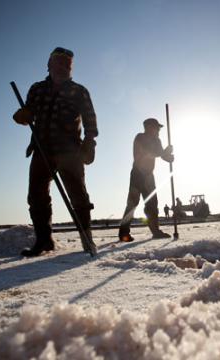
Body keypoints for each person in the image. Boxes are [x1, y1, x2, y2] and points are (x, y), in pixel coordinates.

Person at [13, 47, 98, 257]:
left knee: (78, 195)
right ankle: (44, 240)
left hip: (70, 152)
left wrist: (89, 142)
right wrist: (23, 115)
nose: (63, 67)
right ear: (49, 65)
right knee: (36, 196)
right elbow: (30, 113)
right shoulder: (37, 89)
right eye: (58, 63)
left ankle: (87, 239)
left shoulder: (79, 91)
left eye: (67, 64)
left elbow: (90, 120)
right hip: (41, 149)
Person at [118, 118, 174, 242]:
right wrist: (163, 153)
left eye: (159, 128)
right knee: (132, 203)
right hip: (137, 174)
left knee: (152, 204)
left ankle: (155, 231)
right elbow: (148, 153)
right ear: (149, 127)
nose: (159, 130)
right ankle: (123, 233)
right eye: (157, 128)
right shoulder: (140, 138)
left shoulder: (157, 140)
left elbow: (161, 154)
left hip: (149, 176)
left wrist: (168, 156)